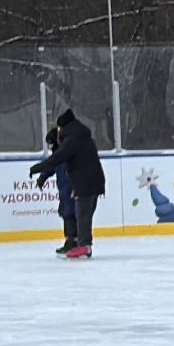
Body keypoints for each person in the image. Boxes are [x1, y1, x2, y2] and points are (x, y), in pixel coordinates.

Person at [28, 109, 106, 258]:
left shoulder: (73, 140)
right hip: (91, 181)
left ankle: (83, 246)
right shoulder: (81, 137)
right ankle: (81, 244)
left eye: (59, 128)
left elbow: (58, 159)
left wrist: (38, 168)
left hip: (85, 183)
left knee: (81, 214)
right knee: (82, 214)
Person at [40, 126, 77, 255]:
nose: (49, 147)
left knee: (70, 213)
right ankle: (70, 240)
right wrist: (42, 178)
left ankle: (73, 240)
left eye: (50, 144)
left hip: (71, 188)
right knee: (65, 212)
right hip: (64, 188)